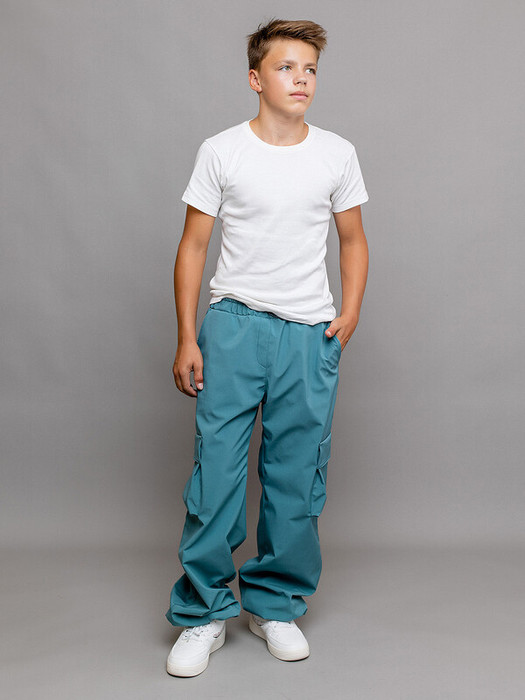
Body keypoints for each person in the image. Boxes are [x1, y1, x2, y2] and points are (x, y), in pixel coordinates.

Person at [165, 18, 370, 677]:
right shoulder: (222, 151)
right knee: (216, 478)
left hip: (308, 335)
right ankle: (202, 613)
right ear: (256, 78)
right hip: (233, 328)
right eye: (286, 68)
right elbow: (193, 245)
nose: (300, 79)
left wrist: (349, 311)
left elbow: (352, 239)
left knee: (296, 477)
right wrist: (187, 336)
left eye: (309, 69)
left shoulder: (336, 153)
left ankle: (275, 603)